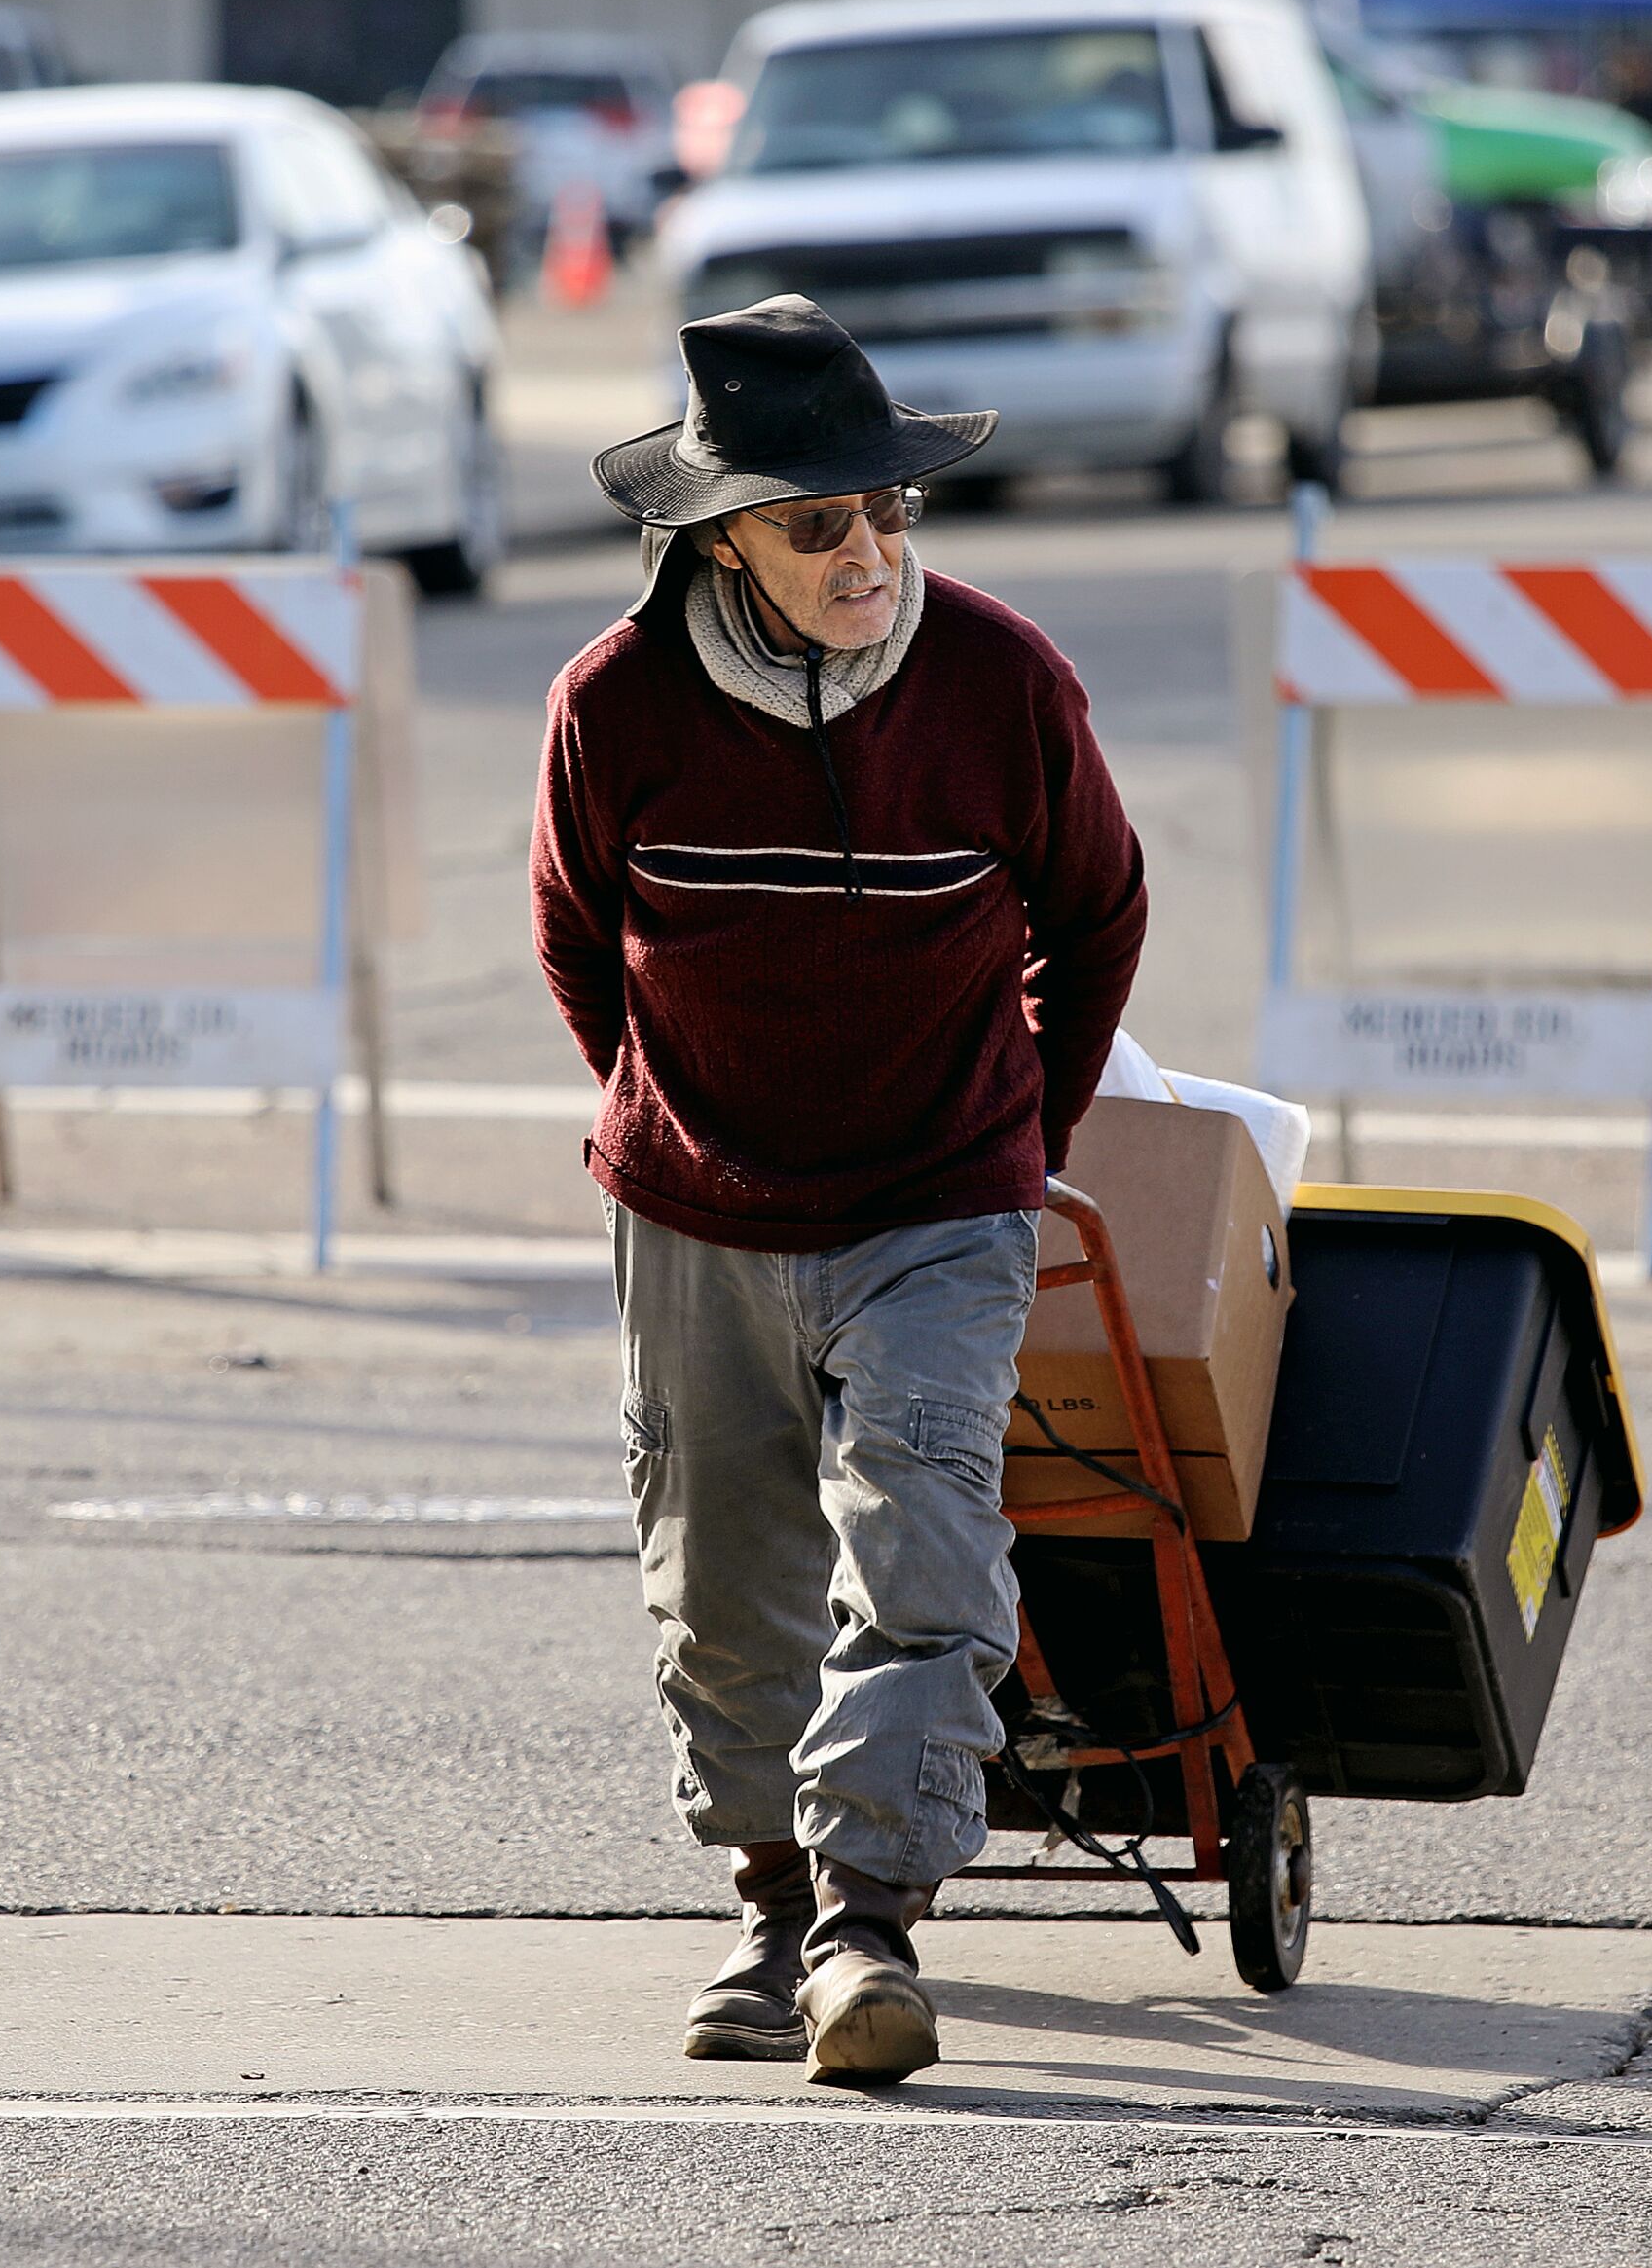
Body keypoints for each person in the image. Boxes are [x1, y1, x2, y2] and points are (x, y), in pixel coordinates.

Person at [531, 293, 1147, 2085]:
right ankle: (771, 1902)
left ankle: (872, 1925)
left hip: (943, 1192)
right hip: (694, 1203)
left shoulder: (1002, 679)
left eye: (890, 510)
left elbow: (1097, 909)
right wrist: (666, 1116)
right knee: (723, 1572)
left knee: (926, 1536)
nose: (870, 547)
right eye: (822, 522)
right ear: (722, 538)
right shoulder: (614, 702)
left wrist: (1027, 1139)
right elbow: (583, 938)